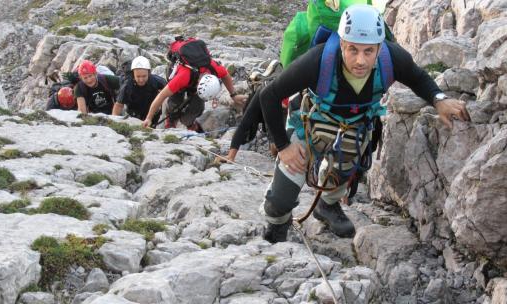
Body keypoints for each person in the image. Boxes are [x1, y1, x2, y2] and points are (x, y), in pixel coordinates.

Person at [258, 4, 470, 243]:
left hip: (354, 130)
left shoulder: (392, 58)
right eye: (353, 50)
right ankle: (278, 222)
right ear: (341, 43)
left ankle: (327, 206)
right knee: (279, 202)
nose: (360, 60)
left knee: (345, 165)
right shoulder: (318, 60)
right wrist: (284, 145)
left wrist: (439, 99)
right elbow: (269, 95)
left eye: (369, 51)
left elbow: (417, 77)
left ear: (379, 48)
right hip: (310, 127)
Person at [141, 55, 247, 130]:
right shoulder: (183, 77)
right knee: (175, 102)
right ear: (198, 85)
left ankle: (189, 123)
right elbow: (161, 96)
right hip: (178, 74)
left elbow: (226, 76)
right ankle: (171, 120)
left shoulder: (214, 68)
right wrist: (149, 118)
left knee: (198, 108)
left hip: (195, 80)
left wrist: (233, 95)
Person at [112, 56, 167, 127]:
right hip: (134, 115)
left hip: (152, 114)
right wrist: (113, 122)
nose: (141, 80)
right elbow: (119, 105)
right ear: (133, 74)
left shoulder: (156, 81)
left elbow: (169, 91)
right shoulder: (127, 86)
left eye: (144, 76)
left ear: (149, 73)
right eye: (138, 76)